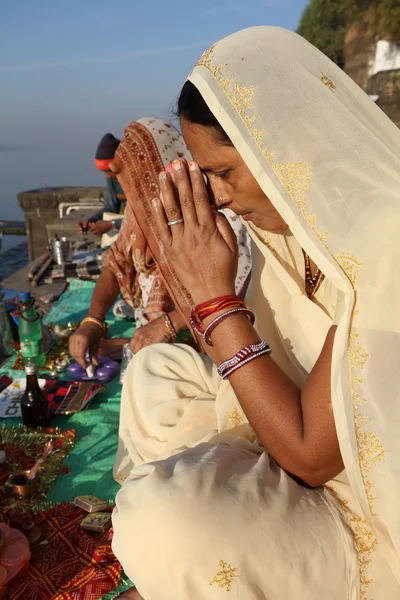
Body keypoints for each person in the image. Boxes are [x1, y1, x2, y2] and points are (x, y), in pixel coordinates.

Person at [111, 27, 400, 599]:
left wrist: (213, 301)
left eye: (223, 172)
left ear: (297, 145)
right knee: (152, 376)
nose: (215, 195)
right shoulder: (288, 228)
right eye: (204, 175)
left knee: (161, 517)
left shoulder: (384, 238)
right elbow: (265, 355)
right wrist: (202, 298)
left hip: (360, 501)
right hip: (290, 432)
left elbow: (311, 457)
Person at [69, 117, 251, 364]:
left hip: (219, 348)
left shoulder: (215, 215)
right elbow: (116, 261)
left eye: (140, 176)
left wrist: (171, 323)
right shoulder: (141, 210)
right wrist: (93, 320)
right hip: (155, 342)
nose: (135, 188)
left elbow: (239, 287)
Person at [78, 133, 127, 237]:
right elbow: (110, 207)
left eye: (110, 171)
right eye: (104, 172)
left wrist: (112, 225)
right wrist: (91, 220)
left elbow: (144, 215)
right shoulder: (113, 178)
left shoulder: (138, 178)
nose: (108, 176)